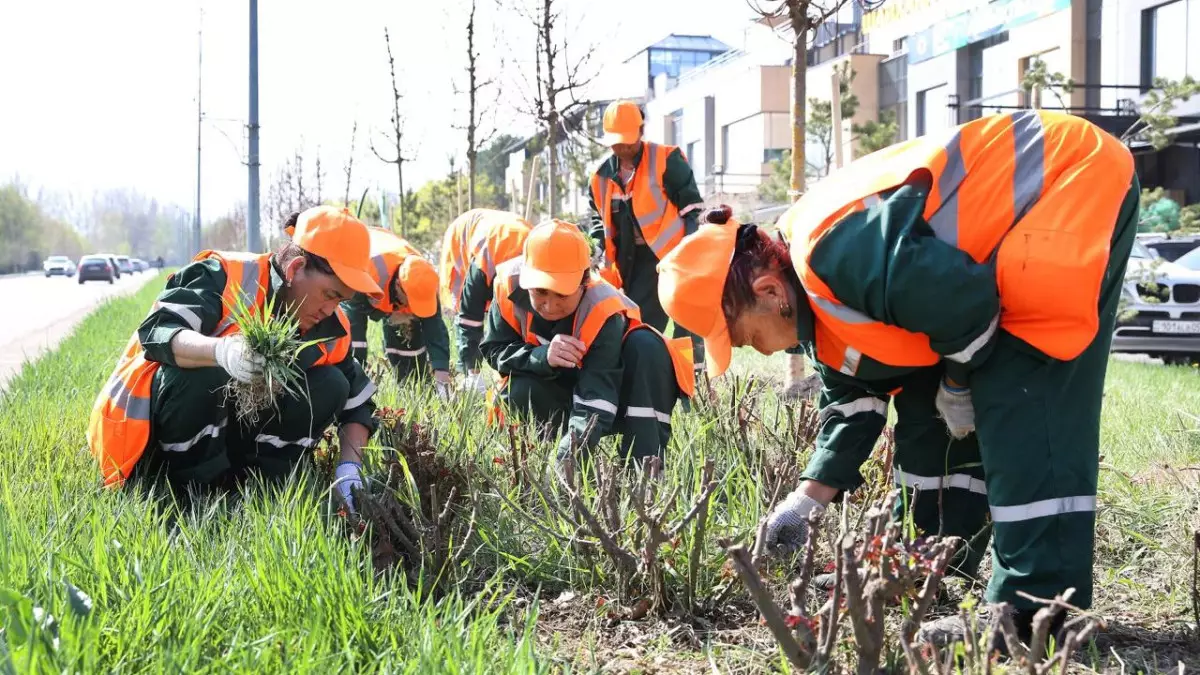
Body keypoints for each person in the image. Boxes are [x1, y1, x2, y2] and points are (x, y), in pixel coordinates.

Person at [655, 110, 1138, 650]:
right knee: (925, 400)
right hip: (1017, 226)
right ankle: (934, 561)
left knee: (1021, 389)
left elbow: (967, 305)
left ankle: (1035, 613)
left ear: (769, 292)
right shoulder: (813, 303)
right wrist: (804, 503)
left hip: (1064, 180)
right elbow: (852, 402)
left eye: (742, 338)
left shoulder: (835, 252)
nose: (755, 352)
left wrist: (958, 382)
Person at [88, 206, 384, 511]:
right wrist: (221, 351)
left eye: (341, 300)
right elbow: (158, 331)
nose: (330, 309)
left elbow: (357, 403)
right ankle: (193, 496)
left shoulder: (332, 328)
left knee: (332, 383)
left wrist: (350, 468)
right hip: (145, 441)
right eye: (329, 294)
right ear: (295, 268)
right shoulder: (226, 275)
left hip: (229, 441)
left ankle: (264, 489)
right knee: (204, 372)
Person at [481, 219, 695, 464]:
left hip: (615, 394)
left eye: (561, 294)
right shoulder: (506, 286)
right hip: (558, 391)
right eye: (539, 292)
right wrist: (542, 357)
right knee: (519, 389)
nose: (549, 306)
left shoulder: (605, 310)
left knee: (647, 346)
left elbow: (596, 397)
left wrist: (567, 459)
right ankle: (532, 460)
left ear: (584, 282)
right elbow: (495, 349)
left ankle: (644, 468)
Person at [588, 99, 706, 367]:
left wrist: (690, 249)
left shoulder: (666, 159)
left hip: (675, 258)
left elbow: (693, 208)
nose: (624, 147)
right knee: (641, 327)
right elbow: (599, 220)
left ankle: (693, 382)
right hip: (635, 264)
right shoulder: (600, 177)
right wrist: (595, 246)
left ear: (641, 132)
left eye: (629, 140)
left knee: (687, 323)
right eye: (617, 142)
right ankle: (645, 379)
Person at [336, 225, 452, 397]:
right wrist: (354, 369)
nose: (413, 308)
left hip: (391, 271)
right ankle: (349, 391)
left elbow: (434, 327)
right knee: (354, 343)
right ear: (398, 286)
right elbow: (354, 315)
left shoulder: (423, 279)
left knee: (408, 334)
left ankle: (412, 388)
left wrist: (442, 373)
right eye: (411, 302)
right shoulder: (370, 271)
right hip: (356, 267)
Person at [437, 208, 531, 393]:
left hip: (512, 235)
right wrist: (474, 373)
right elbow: (468, 318)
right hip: (463, 236)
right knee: (465, 313)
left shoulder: (536, 264)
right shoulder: (482, 268)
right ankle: (467, 372)